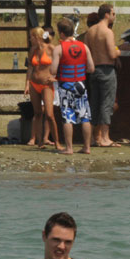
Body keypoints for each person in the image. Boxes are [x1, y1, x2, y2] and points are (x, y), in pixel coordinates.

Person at [50, 17, 95, 155]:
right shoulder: (84, 46)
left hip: (65, 86)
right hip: (80, 85)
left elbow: (53, 70)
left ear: (61, 33)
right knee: (85, 116)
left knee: (68, 117)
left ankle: (69, 148)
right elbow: (91, 68)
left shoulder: (59, 49)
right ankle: (87, 147)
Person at [85, 3, 121, 148]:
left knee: (94, 104)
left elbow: (87, 53)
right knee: (107, 103)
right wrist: (120, 50)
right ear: (106, 14)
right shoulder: (107, 32)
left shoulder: (90, 31)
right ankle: (105, 138)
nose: (114, 16)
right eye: (113, 13)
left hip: (93, 71)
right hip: (106, 69)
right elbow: (112, 54)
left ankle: (92, 138)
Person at [23, 27, 61, 150]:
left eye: (31, 37)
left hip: (46, 84)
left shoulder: (51, 48)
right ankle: (40, 142)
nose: (30, 39)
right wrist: (27, 84)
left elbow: (62, 63)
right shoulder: (33, 50)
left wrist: (56, 78)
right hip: (34, 83)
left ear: (38, 37)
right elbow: (30, 67)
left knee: (49, 114)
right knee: (38, 113)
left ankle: (57, 142)